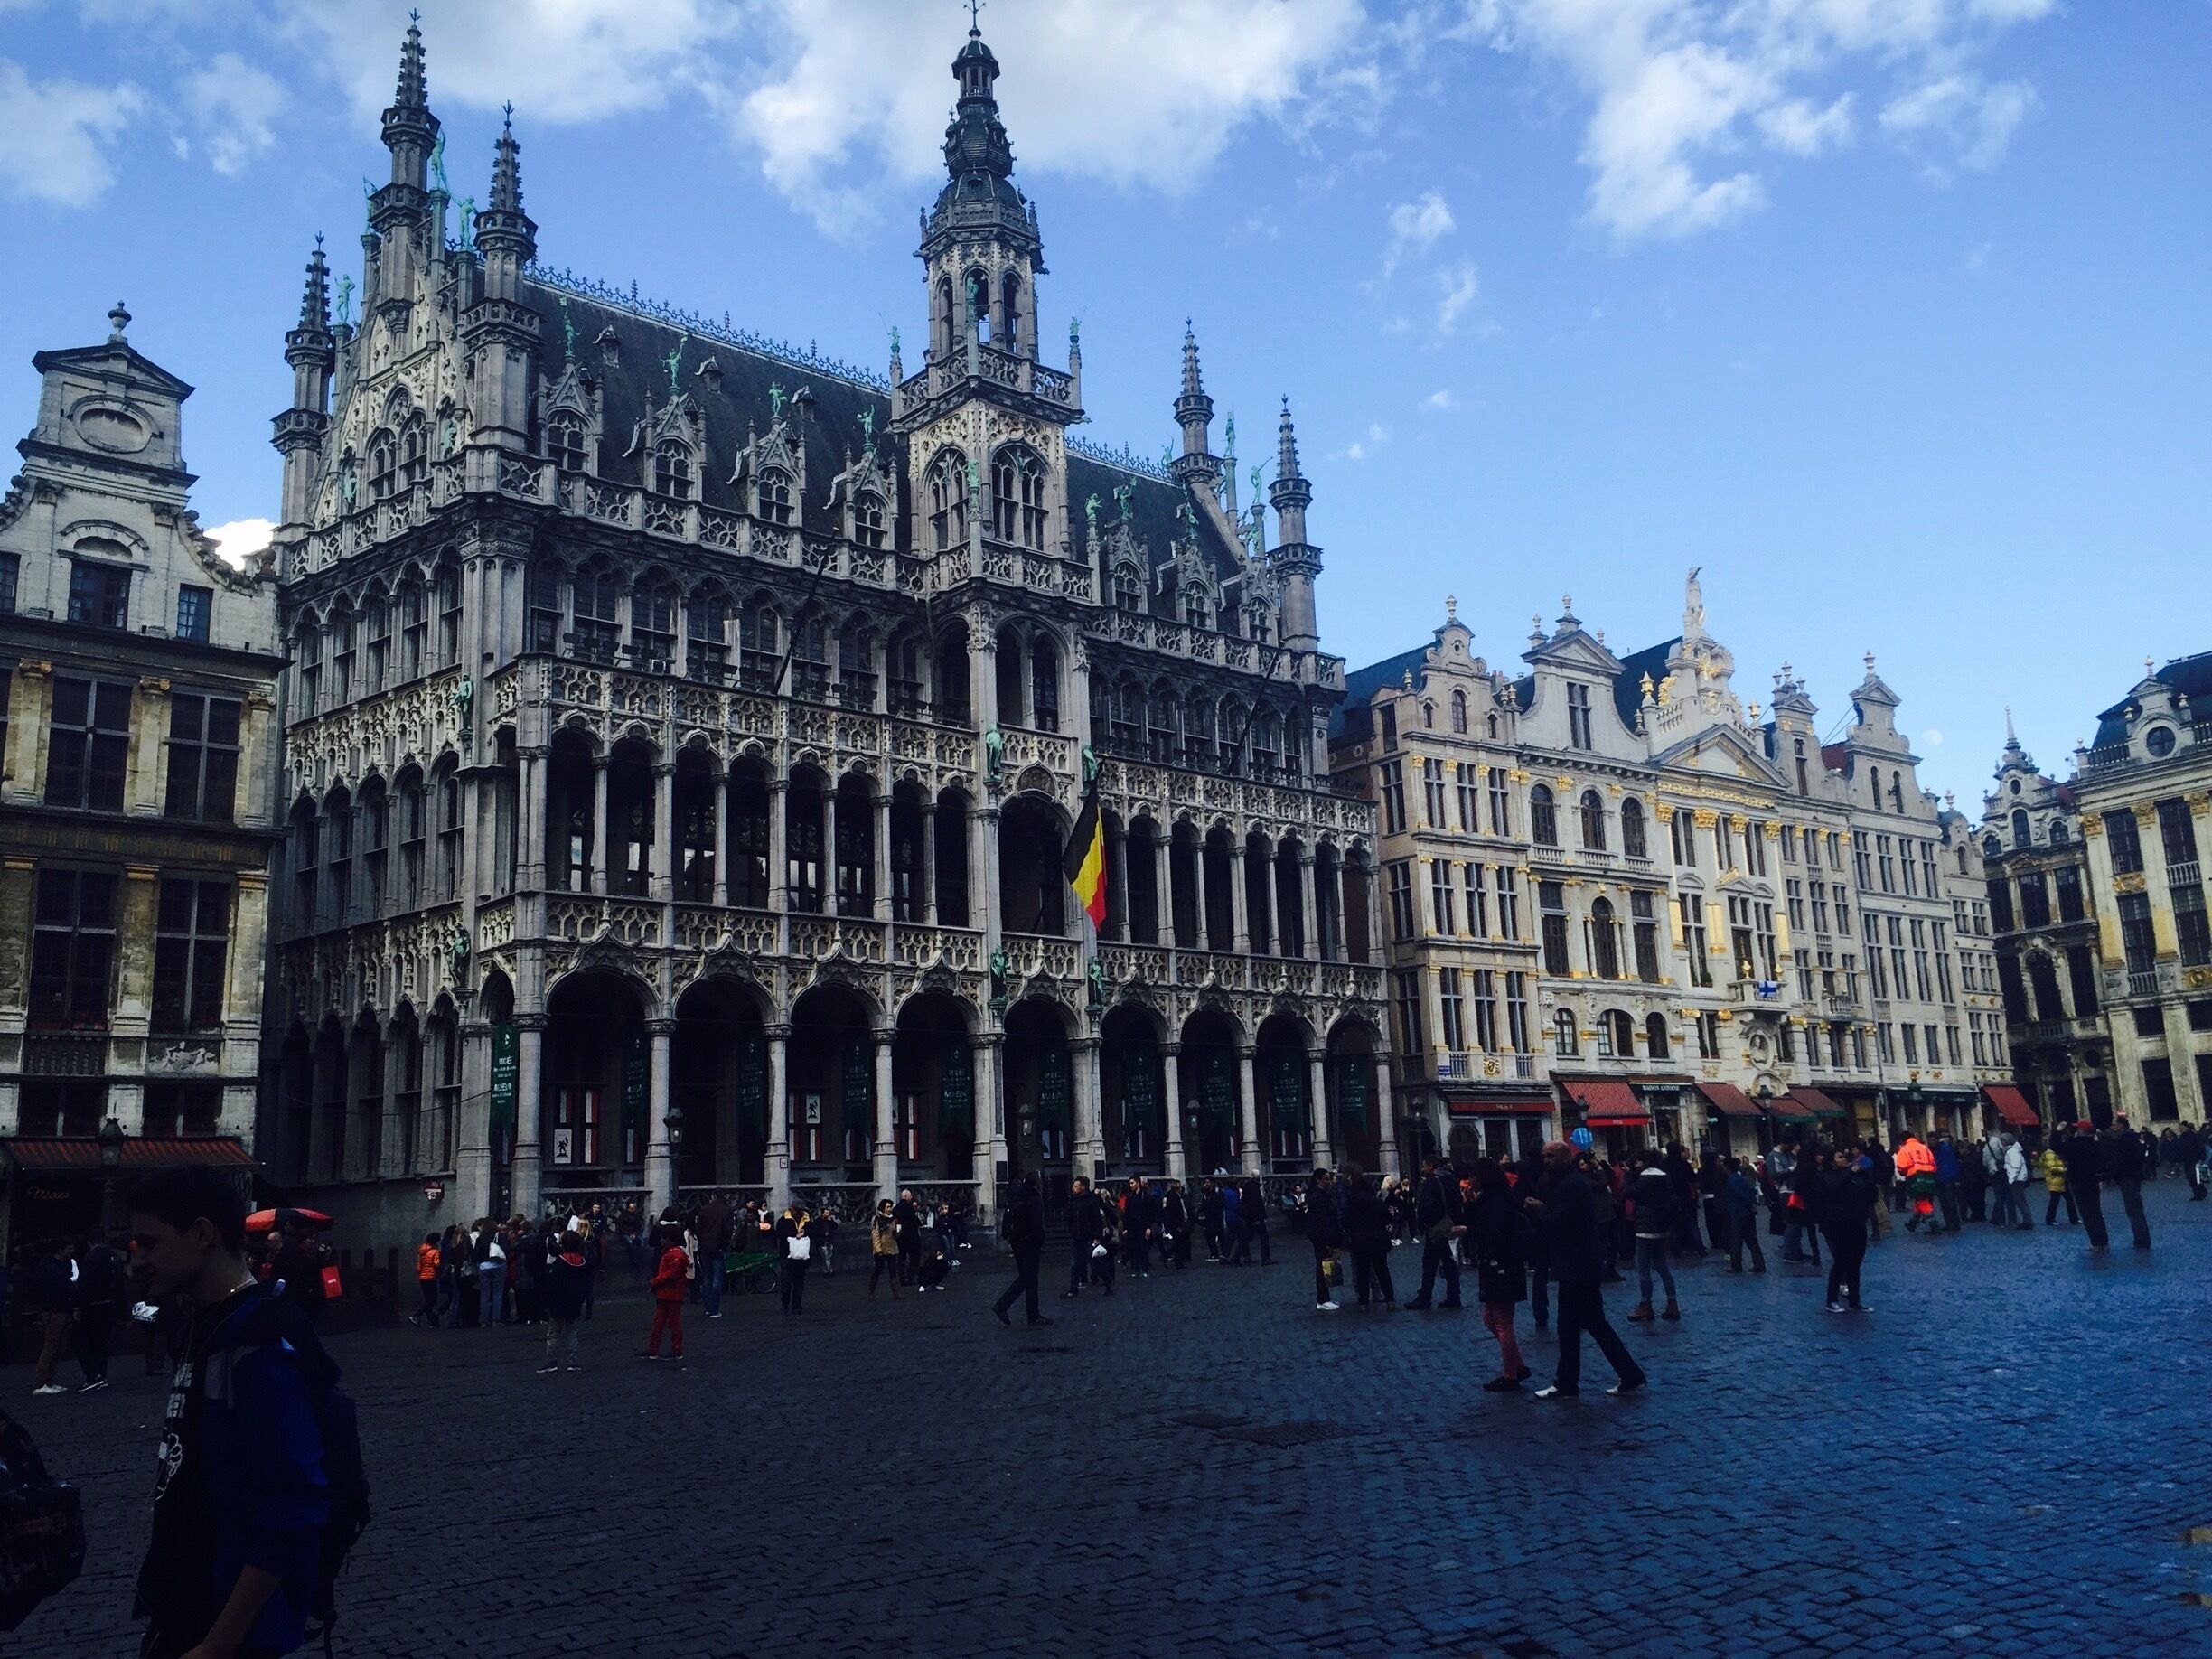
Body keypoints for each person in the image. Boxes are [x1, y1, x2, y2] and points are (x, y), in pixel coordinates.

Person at [129, 1166, 333, 1659]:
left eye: (148, 1243)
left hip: (225, 1630)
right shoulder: (205, 1325)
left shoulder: (258, 1342)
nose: (136, 1260)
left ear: (201, 1234)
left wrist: (220, 1641)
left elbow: (293, 1504)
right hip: (184, 1608)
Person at [1529, 1142, 1645, 1399]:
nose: (1546, 1161)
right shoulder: (1568, 1183)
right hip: (1581, 1265)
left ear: (1563, 1157)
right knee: (1586, 1325)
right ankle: (1624, 1375)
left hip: (1577, 1266)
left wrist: (1540, 1209)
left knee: (1575, 1326)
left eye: (1550, 1156)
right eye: (1543, 1156)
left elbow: (1558, 1223)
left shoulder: (1571, 1185)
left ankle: (1569, 1382)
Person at [1468, 1158, 1531, 1392]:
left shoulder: (1496, 1201)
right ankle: (1518, 1367)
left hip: (1503, 1265)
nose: (1470, 1180)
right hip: (1496, 1265)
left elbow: (1496, 1235)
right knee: (1490, 1320)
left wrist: (1469, 1231)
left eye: (1473, 1176)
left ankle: (1510, 1375)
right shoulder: (1491, 1198)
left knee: (1503, 1323)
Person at [1816, 1146, 1876, 1312]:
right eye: (1840, 1157)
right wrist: (1850, 1172)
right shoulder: (1827, 1176)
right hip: (1838, 1223)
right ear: (1832, 1161)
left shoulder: (1854, 1175)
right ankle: (1831, 1299)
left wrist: (1866, 1177)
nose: (1844, 1159)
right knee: (1841, 1262)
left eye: (1844, 1156)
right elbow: (1832, 1186)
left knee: (1855, 1264)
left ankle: (1855, 1300)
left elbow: (1871, 1195)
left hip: (1856, 1221)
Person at [1405, 1158, 1465, 1312]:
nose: (1423, 1168)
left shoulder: (1431, 1182)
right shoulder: (1450, 1179)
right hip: (1449, 1226)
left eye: (1424, 1165)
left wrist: (1424, 1223)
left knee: (1429, 1263)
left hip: (1437, 1228)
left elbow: (1428, 1206)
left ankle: (1425, 1297)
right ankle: (1454, 1295)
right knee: (1449, 1262)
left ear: (1431, 1166)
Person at [1626, 1151, 1679, 1323]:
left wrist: (1628, 1175)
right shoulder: (1665, 1178)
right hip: (1662, 1225)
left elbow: (1629, 1192)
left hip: (1645, 1226)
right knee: (1662, 1266)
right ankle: (1672, 1303)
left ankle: (1645, 1304)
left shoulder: (1644, 1179)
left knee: (1643, 1267)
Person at [992, 1178, 1050, 1327]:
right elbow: (1036, 1223)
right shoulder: (1034, 1200)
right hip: (1030, 1243)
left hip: (1017, 1243)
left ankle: (1008, 1307)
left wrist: (1011, 1238)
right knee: (1030, 1279)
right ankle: (1026, 1313)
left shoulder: (1016, 1199)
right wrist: (1039, 1239)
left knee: (1026, 1278)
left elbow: (1006, 1223)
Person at [71, 1233, 125, 1392]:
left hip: (93, 1304)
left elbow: (84, 1282)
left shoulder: (91, 1258)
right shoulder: (114, 1258)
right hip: (109, 1302)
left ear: (90, 1242)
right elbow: (119, 1283)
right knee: (101, 1342)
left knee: (84, 1341)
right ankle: (101, 1374)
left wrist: (77, 1305)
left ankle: (93, 1375)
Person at [28, 1242, 76, 1397]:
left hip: (59, 1308)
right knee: (51, 1346)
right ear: (60, 1249)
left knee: (55, 1346)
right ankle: (41, 1382)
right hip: (55, 1309)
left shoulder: (54, 1265)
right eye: (69, 1248)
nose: (72, 1251)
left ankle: (47, 1380)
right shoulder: (53, 1267)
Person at [538, 1228, 588, 1373]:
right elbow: (585, 1285)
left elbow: (551, 1285)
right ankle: (572, 1361)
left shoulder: (559, 1263)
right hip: (574, 1302)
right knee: (572, 1332)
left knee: (553, 1333)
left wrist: (546, 1303)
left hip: (558, 1303)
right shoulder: (582, 1262)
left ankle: (551, 1362)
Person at [1343, 1172, 1395, 1309]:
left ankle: (1363, 1302)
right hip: (1378, 1240)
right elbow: (1388, 1218)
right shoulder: (1376, 1201)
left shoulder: (1352, 1203)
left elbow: (1345, 1221)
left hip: (1360, 1241)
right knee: (1382, 1270)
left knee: (1362, 1272)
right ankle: (1390, 1299)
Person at [2104, 1118, 2152, 1250]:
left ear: (2121, 1126)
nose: (2112, 1127)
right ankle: (2141, 1238)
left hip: (2128, 1176)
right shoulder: (2130, 1139)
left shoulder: (2124, 1141)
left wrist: (2117, 1173)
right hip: (2132, 1176)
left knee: (2134, 1209)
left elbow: (2123, 1160)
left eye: (2114, 1124)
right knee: (2134, 1208)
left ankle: (2142, 1240)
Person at [273, 1220, 330, 1329]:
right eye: (309, 1239)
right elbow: (301, 1267)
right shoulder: (293, 1252)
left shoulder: (310, 1252)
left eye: (314, 1239)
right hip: (298, 1293)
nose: (312, 1242)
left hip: (312, 1294)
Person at [2062, 1120, 2109, 1249]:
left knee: (2087, 1213)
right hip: (2092, 1181)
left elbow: (2059, 1148)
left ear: (2081, 1131)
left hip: (2079, 1181)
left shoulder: (2076, 1144)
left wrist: (2058, 1132)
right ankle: (2103, 1241)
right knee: (2095, 1211)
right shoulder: (2095, 1144)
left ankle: (2096, 1242)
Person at [645, 1224, 689, 1358]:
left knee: (673, 1323)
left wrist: (655, 1282)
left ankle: (676, 1350)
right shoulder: (671, 1254)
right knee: (659, 1322)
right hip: (665, 1292)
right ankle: (653, 1350)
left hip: (672, 1293)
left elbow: (670, 1274)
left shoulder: (676, 1255)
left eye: (663, 1238)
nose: (661, 1241)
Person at [1305, 1167, 1344, 1312]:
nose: (1329, 1181)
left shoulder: (1320, 1195)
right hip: (1322, 1236)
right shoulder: (1318, 1197)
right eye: (1326, 1178)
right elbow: (1324, 1220)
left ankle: (1325, 1297)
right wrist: (1329, 1240)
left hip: (1321, 1235)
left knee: (1325, 1266)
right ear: (1318, 1180)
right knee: (1322, 1267)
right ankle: (1322, 1299)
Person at [1061, 1176, 1105, 1299]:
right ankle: (1072, 1289)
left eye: (1076, 1186)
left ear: (1083, 1187)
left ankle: (1108, 1282)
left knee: (1095, 1263)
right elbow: (1068, 1217)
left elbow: (1097, 1220)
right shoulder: (1073, 1201)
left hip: (1088, 1237)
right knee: (1075, 1265)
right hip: (1076, 1237)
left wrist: (1097, 1237)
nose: (1073, 1188)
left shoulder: (1091, 1201)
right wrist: (1070, 1229)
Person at [1722, 1157, 1767, 1273]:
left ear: (1727, 1167)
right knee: (1752, 1240)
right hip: (1747, 1213)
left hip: (1738, 1213)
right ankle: (1759, 1264)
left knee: (1736, 1240)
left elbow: (1741, 1196)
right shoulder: (1740, 1178)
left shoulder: (1732, 1180)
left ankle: (1736, 1265)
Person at [1892, 1132, 1936, 1233]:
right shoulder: (1924, 1147)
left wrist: (1903, 1173)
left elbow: (1901, 1167)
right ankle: (1913, 1223)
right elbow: (1933, 1162)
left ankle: (1934, 1225)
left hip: (1914, 1177)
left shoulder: (1905, 1149)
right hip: (1929, 1176)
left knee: (1922, 1201)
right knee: (1920, 1200)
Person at [697, 1194, 733, 1317]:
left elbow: (698, 1228)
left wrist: (701, 1243)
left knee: (707, 1277)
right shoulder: (727, 1210)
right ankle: (714, 1309)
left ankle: (707, 1307)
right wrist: (725, 1244)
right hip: (718, 1247)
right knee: (717, 1278)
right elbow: (728, 1231)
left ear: (712, 1196)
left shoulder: (704, 1209)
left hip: (705, 1247)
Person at [868, 1200, 903, 1300]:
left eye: (890, 1207)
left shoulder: (893, 1219)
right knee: (878, 1270)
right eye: (888, 1207)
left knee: (893, 1271)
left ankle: (897, 1293)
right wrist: (878, 1250)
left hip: (892, 1248)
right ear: (883, 1208)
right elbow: (875, 1235)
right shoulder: (877, 1219)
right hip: (882, 1249)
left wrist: (898, 1229)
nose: (889, 1209)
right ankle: (871, 1292)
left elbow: (896, 1234)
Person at [475, 1219, 507, 1329]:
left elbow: (476, 1254)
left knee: (484, 1294)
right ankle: (495, 1319)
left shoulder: (481, 1238)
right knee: (497, 1293)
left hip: (484, 1266)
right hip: (498, 1265)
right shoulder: (501, 1237)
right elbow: (506, 1250)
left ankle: (484, 1320)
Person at [2038, 1140, 2076, 1225]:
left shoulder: (2053, 1154)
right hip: (2055, 1180)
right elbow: (2053, 1168)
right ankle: (2051, 1219)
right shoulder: (2050, 1154)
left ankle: (2073, 1218)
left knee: (2064, 1200)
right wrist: (2065, 1170)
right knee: (2056, 1201)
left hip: (2059, 1180)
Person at [2001, 1135, 2033, 1230]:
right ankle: (2027, 1220)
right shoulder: (2014, 1150)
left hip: (2017, 1179)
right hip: (2019, 1178)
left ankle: (2028, 1221)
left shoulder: (2012, 1152)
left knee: (2019, 1200)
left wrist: (2011, 1178)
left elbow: (2016, 1166)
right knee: (2020, 1200)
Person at [1933, 1135, 1962, 1233]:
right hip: (1940, 1177)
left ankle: (1954, 1223)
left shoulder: (1944, 1149)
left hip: (1947, 1177)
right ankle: (1950, 1223)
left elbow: (1952, 1163)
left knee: (1950, 1201)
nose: (1931, 1142)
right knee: (1944, 1202)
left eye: (1933, 1139)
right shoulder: (1938, 1149)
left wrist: (1956, 1178)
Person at [2178, 1121, 2207, 1201]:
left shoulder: (2194, 1136)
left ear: (2187, 1128)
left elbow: (2201, 1148)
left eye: (2182, 1128)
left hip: (2195, 1160)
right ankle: (2197, 1194)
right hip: (2186, 1161)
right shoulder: (2181, 1137)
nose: (2181, 1130)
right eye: (2180, 1128)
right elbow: (2180, 1149)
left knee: (2195, 1177)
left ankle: (2201, 1192)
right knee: (2190, 1179)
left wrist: (2202, 1158)